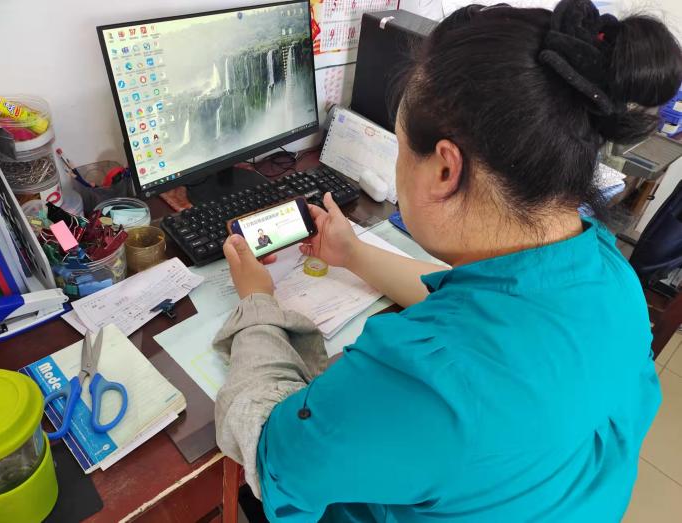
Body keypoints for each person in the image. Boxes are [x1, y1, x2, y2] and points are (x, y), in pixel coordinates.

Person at [214, 0, 682, 521]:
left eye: (399, 149)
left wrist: (257, 302)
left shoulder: (426, 384)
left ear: (443, 170)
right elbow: (488, 306)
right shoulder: (611, 277)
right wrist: (353, 254)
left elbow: (271, 456)